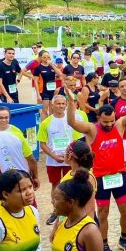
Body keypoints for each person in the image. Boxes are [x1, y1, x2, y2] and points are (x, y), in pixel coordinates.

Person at [65, 76, 126, 251]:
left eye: (111, 121)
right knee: (103, 214)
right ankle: (104, 244)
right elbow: (72, 123)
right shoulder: (92, 129)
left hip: (119, 176)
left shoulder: (120, 125)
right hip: (100, 178)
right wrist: (70, 102)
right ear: (99, 118)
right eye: (105, 122)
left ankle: (123, 239)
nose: (108, 124)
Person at [38, 95, 85, 226]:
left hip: (69, 160)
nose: (60, 106)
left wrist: (68, 156)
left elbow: (76, 140)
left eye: (63, 103)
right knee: (55, 184)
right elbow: (42, 144)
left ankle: (71, 209)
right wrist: (53, 156)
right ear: (52, 105)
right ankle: (56, 210)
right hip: (53, 161)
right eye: (57, 103)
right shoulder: (46, 123)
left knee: (71, 183)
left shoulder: (71, 121)